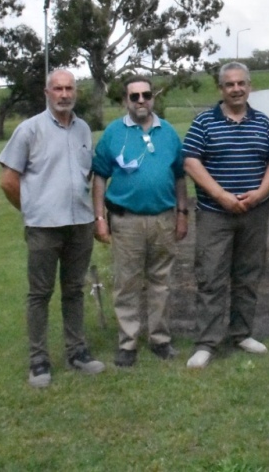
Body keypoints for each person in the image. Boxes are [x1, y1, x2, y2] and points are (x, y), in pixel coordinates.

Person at [0, 69, 105, 388]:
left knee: (73, 290)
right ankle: (39, 360)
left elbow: (85, 174)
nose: (64, 94)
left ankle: (77, 352)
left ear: (76, 92)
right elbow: (8, 180)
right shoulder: (29, 130)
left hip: (80, 224)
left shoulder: (83, 129)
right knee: (40, 294)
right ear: (47, 93)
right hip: (44, 227)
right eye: (57, 89)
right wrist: (31, 209)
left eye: (69, 88)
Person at [182, 62, 269, 368]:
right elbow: (191, 162)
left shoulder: (263, 123)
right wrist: (222, 196)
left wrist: (260, 192)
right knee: (211, 276)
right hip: (216, 213)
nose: (236, 89)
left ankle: (241, 333)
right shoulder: (204, 122)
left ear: (249, 86)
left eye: (241, 83)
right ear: (221, 89)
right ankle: (207, 342)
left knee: (248, 275)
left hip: (254, 212)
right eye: (230, 85)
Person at [92, 76, 189, 367]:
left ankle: (160, 339)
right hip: (127, 221)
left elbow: (180, 177)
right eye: (134, 96)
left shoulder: (169, 133)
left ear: (153, 98)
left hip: (163, 219)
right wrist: (99, 218)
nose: (141, 101)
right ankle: (128, 343)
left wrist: (182, 214)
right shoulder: (113, 133)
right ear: (126, 101)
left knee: (162, 282)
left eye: (146, 95)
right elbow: (99, 177)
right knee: (127, 283)